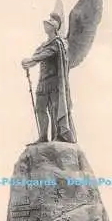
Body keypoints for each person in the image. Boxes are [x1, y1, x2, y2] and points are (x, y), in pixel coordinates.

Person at [21, 12, 77, 143]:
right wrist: (28, 63)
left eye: (48, 24)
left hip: (54, 82)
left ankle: (59, 135)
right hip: (43, 82)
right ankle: (43, 136)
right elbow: (36, 57)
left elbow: (47, 53)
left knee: (55, 110)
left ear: (55, 27)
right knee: (39, 108)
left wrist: (32, 59)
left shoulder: (58, 43)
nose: (45, 26)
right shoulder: (42, 45)